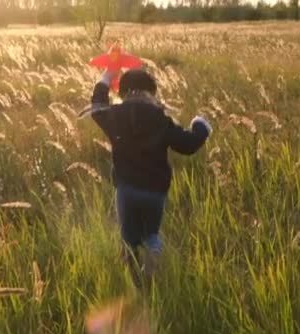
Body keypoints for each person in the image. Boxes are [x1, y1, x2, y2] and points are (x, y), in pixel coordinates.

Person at [88, 68, 212, 287]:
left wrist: (106, 78)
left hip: (127, 189)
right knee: (151, 232)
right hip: (155, 191)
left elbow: (97, 108)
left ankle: (134, 279)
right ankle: (154, 250)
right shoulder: (160, 120)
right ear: (151, 93)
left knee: (129, 236)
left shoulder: (115, 117)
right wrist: (200, 127)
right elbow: (188, 145)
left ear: (123, 92)